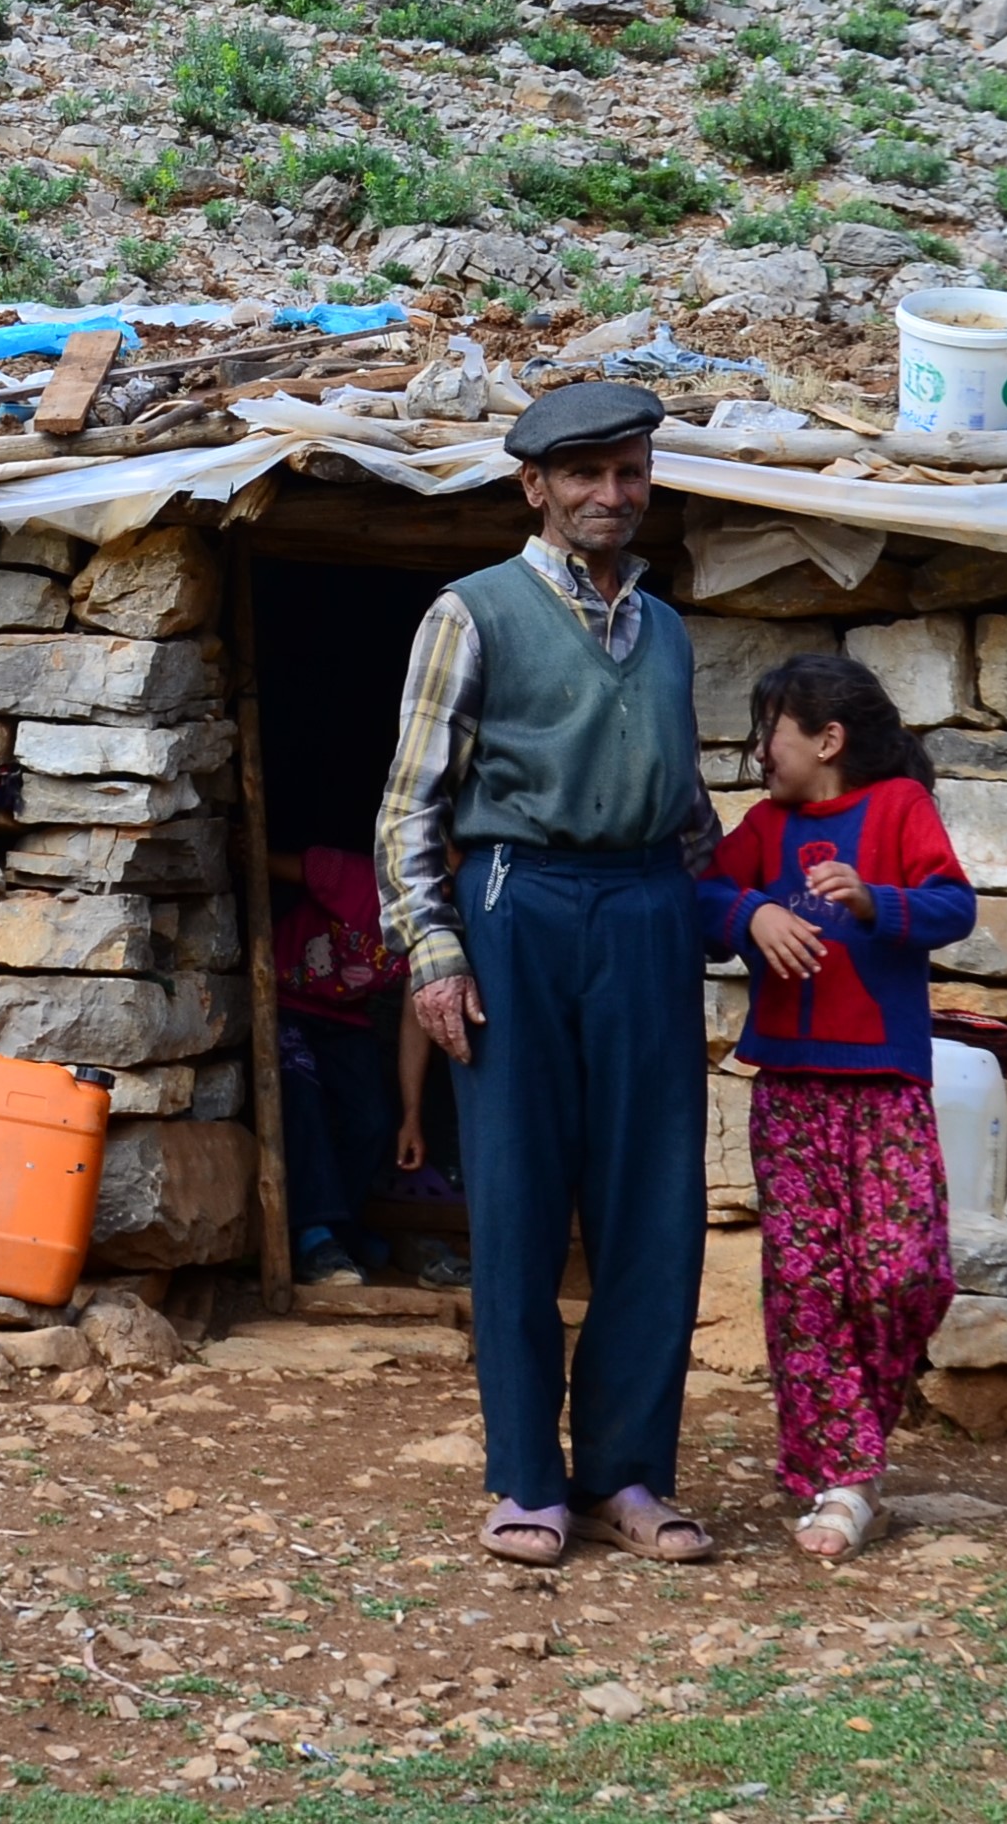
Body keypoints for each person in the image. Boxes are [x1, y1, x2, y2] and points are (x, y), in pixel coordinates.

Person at [375, 379, 717, 1569]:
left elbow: (683, 801)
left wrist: (707, 908)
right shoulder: (470, 614)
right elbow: (410, 805)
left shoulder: (665, 628)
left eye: (627, 473)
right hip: (519, 906)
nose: (608, 495)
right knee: (519, 1201)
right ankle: (525, 1478)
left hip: (647, 911)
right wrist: (432, 952)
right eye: (583, 475)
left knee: (655, 1205)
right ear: (535, 486)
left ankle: (626, 1474)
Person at [698, 652, 976, 1559]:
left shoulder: (900, 808)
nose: (757, 750)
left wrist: (876, 899)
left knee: (903, 1273)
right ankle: (844, 1480)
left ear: (827, 739)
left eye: (768, 729)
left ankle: (850, 1438)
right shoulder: (761, 830)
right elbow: (700, 893)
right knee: (808, 1284)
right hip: (790, 1089)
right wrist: (750, 918)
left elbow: (954, 907)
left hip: (885, 1089)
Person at [269, 842, 407, 1287]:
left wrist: (416, 1116)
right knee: (302, 1099)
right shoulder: (351, 876)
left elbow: (417, 1020)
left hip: (346, 1020)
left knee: (373, 1121)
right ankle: (314, 1237)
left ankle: (340, 1230)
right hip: (284, 1003)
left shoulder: (435, 931)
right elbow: (255, 857)